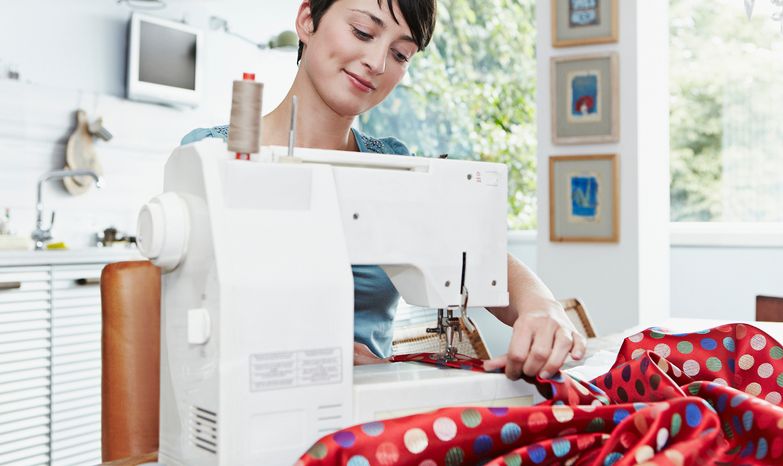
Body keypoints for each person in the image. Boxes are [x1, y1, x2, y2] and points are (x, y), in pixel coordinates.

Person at [182, 0, 586, 380]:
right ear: (307, 19)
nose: (377, 63)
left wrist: (540, 307)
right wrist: (316, 358)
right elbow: (188, 317)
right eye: (362, 32)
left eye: (400, 55)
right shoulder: (211, 154)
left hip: (368, 414)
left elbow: (477, 253)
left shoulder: (394, 165)